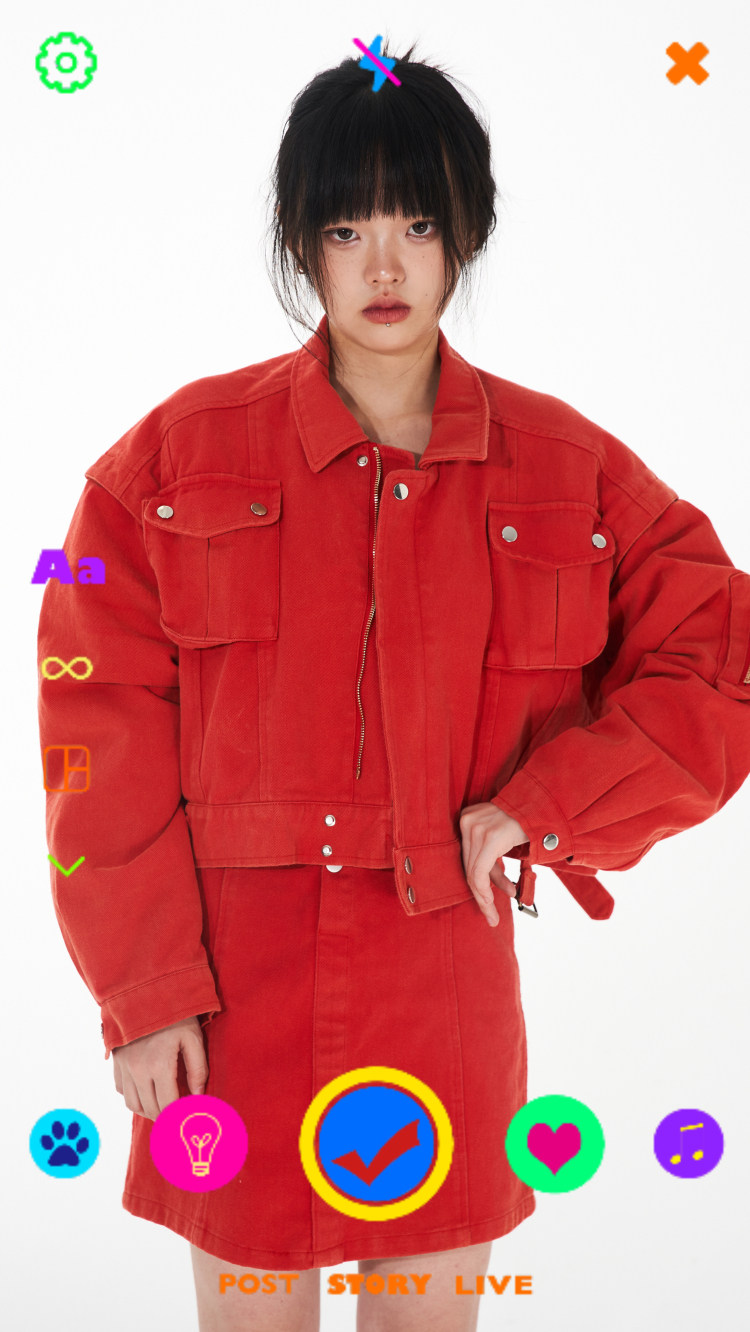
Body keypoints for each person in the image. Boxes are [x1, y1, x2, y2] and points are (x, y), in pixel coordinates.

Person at [37, 39, 750, 1332]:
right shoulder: (173, 461)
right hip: (229, 999)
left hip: (442, 988)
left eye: (417, 225)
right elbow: (97, 733)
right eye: (347, 227)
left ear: (464, 234)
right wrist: (144, 996)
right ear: (298, 242)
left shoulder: (566, 470)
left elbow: (718, 655)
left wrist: (550, 803)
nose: (383, 266)